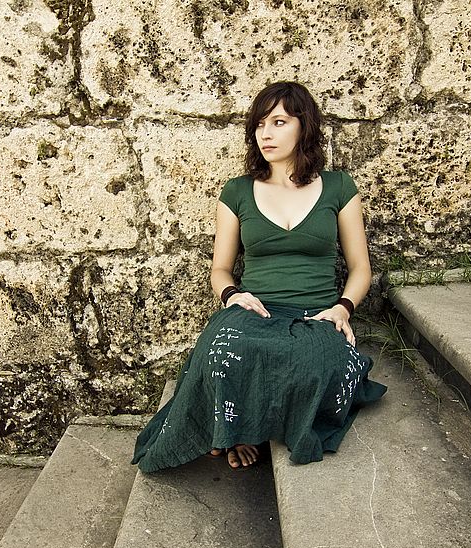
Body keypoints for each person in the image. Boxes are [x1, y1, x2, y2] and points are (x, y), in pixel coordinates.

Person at [132, 81, 387, 472]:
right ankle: (236, 430)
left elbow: (360, 268)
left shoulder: (339, 187)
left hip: (315, 313)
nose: (265, 133)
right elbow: (220, 268)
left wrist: (342, 308)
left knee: (316, 362)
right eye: (259, 124)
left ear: (304, 126)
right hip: (254, 309)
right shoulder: (237, 192)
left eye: (279, 122)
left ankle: (245, 425)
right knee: (220, 353)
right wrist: (232, 295)